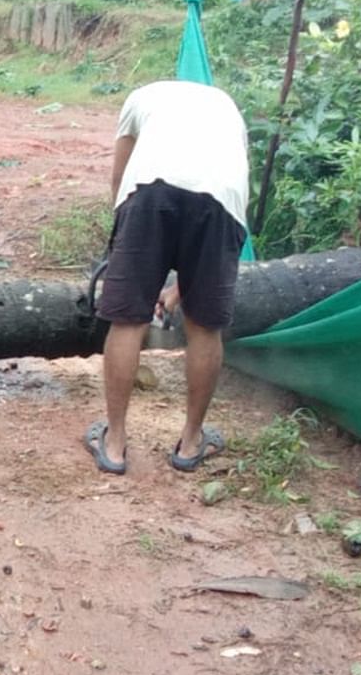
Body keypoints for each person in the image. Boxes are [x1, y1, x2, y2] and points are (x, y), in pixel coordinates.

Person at [83, 79, 250, 475]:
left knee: (127, 320)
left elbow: (119, 178)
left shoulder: (140, 98)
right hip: (222, 201)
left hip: (148, 191)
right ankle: (191, 444)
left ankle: (116, 443)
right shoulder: (226, 105)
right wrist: (183, 289)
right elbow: (232, 189)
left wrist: (126, 250)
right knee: (204, 326)